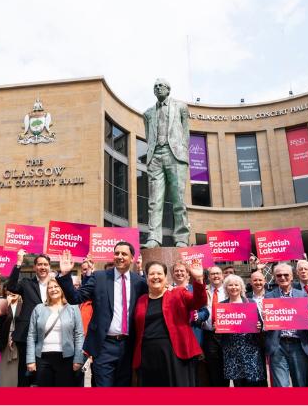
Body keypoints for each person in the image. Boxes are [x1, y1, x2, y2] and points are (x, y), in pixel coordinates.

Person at [56, 242, 147, 386]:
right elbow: (75, 298)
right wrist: (66, 275)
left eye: (124, 254)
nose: (119, 256)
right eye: (117, 253)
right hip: (104, 346)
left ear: (132, 258)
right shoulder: (99, 277)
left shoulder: (139, 282)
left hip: (128, 346)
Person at [133, 259, 206, 386]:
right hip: (147, 356)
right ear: (146, 277)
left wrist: (199, 279)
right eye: (151, 274)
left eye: (159, 273)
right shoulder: (141, 300)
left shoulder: (178, 293)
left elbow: (198, 302)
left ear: (166, 277)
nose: (155, 277)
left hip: (174, 354)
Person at [142, 78, 191, 248]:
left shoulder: (181, 107)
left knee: (178, 199)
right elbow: (149, 136)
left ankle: (182, 239)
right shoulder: (148, 113)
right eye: (155, 86)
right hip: (155, 155)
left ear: (168, 90)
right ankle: (154, 238)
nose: (157, 88)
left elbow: (185, 133)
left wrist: (181, 151)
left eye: (161, 86)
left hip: (175, 155)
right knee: (154, 201)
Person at [6, 250, 59, 386]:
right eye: (39, 264)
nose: (42, 267)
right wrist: (18, 263)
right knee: (25, 372)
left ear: (49, 267)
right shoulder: (26, 283)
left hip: (49, 334)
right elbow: (11, 286)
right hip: (26, 333)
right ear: (35, 267)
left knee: (43, 372)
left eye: (45, 264)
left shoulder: (56, 286)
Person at [24, 278, 85, 387]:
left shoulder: (73, 308)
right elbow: (31, 336)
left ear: (62, 289)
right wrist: (30, 360)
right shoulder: (39, 309)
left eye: (56, 286)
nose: (53, 290)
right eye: (50, 288)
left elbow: (79, 335)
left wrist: (78, 358)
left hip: (66, 358)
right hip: (42, 358)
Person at [264, 263, 308, 386]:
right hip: (278, 345)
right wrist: (266, 319)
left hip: (298, 344)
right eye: (279, 275)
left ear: (292, 277)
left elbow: (307, 319)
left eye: (286, 275)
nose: (282, 277)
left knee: (300, 383)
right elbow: (266, 324)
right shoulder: (269, 297)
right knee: (281, 385)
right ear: (275, 278)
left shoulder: (302, 295)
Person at [217, 273, 265, 387]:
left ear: (241, 287)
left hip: (250, 347)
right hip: (231, 350)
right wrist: (217, 326)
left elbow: (260, 323)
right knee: (238, 383)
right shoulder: (222, 305)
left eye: (236, 285)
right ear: (226, 288)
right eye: (230, 285)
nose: (234, 287)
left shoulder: (250, 302)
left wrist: (259, 326)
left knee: (253, 382)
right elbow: (220, 330)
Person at [196, 265, 227, 386]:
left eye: (218, 273)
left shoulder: (230, 290)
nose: (215, 276)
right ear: (208, 277)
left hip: (226, 335)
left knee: (227, 368)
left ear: (222, 276)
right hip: (209, 335)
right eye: (213, 274)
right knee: (213, 371)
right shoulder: (204, 292)